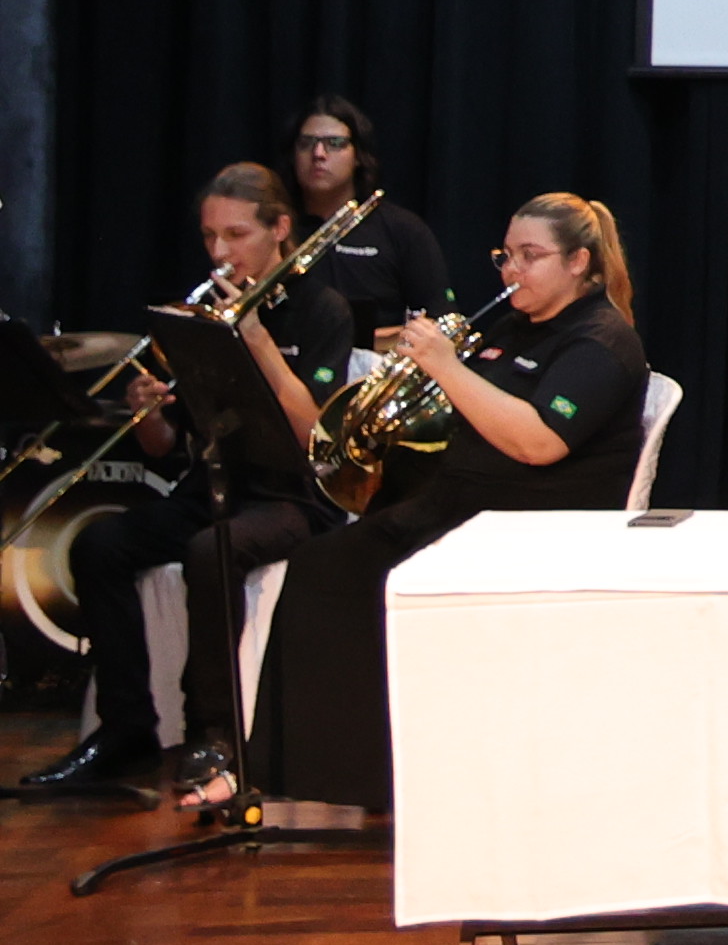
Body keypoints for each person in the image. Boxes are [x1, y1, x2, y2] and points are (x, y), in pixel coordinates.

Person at [237, 193, 650, 814]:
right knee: (321, 564)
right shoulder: (512, 324)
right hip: (460, 506)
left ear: (578, 262)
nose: (511, 271)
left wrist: (446, 366)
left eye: (529, 256)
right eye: (505, 256)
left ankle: (389, 778)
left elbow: (539, 441)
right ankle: (323, 776)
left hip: (530, 527)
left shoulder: (601, 341)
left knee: (358, 578)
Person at [17, 164, 351, 797]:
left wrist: (257, 342)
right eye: (209, 236)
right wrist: (149, 413)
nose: (220, 251)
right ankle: (126, 729)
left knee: (211, 549)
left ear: (280, 229)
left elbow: (316, 435)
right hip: (214, 483)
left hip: (294, 494)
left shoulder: (322, 308)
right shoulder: (199, 315)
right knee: (99, 545)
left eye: (236, 235)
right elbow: (167, 447)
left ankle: (213, 733)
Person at [287, 95, 450, 344]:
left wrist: (355, 341)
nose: (318, 153)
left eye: (335, 143)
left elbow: (442, 321)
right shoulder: (276, 227)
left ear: (358, 155)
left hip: (376, 361)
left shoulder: (403, 229)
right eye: (306, 143)